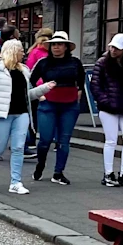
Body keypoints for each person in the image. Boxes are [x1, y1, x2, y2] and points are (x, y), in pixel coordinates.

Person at [0, 40, 56, 195]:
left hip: (21, 114)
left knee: (18, 148)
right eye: (21, 50)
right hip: (1, 115)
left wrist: (44, 88)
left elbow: (28, 95)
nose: (24, 53)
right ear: (13, 51)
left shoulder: (24, 70)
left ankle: (15, 182)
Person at [30, 31, 85, 185]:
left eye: (60, 44)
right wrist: (39, 95)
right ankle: (40, 165)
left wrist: (78, 94)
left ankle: (58, 172)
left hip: (69, 105)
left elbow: (81, 81)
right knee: (45, 140)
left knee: (64, 140)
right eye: (53, 44)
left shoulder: (75, 62)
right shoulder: (43, 62)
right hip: (48, 104)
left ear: (66, 47)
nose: (56, 47)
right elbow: (31, 81)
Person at [91, 34, 123, 186]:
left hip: (120, 106)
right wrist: (105, 101)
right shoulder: (102, 63)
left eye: (117, 48)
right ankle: (108, 173)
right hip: (108, 107)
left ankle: (122, 173)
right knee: (111, 140)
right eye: (112, 47)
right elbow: (95, 86)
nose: (113, 50)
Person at [24, 28, 53, 151]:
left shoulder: (34, 51)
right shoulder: (47, 52)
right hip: (46, 87)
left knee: (34, 114)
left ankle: (32, 139)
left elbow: (29, 70)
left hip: (39, 86)